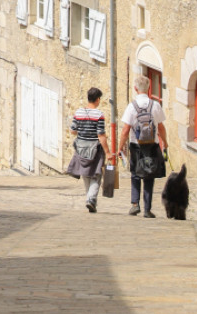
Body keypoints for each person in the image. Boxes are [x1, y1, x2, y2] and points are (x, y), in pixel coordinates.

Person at [118, 73, 167, 217]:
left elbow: (125, 130)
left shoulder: (132, 107)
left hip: (136, 145)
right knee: (149, 175)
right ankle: (147, 209)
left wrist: (120, 147)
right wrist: (165, 143)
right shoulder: (155, 105)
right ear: (149, 88)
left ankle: (135, 204)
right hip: (152, 145)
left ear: (135, 88)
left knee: (135, 173)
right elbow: (161, 127)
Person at [66, 86, 110, 212]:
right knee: (96, 175)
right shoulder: (99, 114)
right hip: (95, 148)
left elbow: (73, 131)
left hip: (81, 148)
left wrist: (82, 131)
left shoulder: (78, 112)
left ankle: (90, 199)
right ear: (97, 99)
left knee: (85, 173)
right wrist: (108, 152)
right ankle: (91, 199)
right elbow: (101, 135)